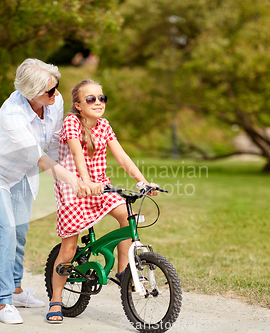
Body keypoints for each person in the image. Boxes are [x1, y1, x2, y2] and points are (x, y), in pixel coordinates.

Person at [0, 59, 91, 325]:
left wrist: (83, 171)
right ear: (30, 93)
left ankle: (16, 289)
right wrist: (70, 179)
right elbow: (39, 157)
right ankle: (3, 302)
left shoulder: (53, 102)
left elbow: (58, 141)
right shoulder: (13, 113)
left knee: (20, 231)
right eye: (49, 90)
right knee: (5, 230)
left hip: (21, 173)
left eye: (56, 87)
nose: (56, 93)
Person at [46, 79, 159, 323]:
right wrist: (85, 183)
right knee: (69, 247)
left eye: (101, 98)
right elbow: (77, 154)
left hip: (101, 186)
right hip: (74, 188)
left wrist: (143, 181)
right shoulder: (72, 122)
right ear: (78, 105)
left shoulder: (104, 125)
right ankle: (56, 299)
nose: (98, 102)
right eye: (91, 99)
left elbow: (123, 158)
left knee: (128, 218)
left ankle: (122, 272)